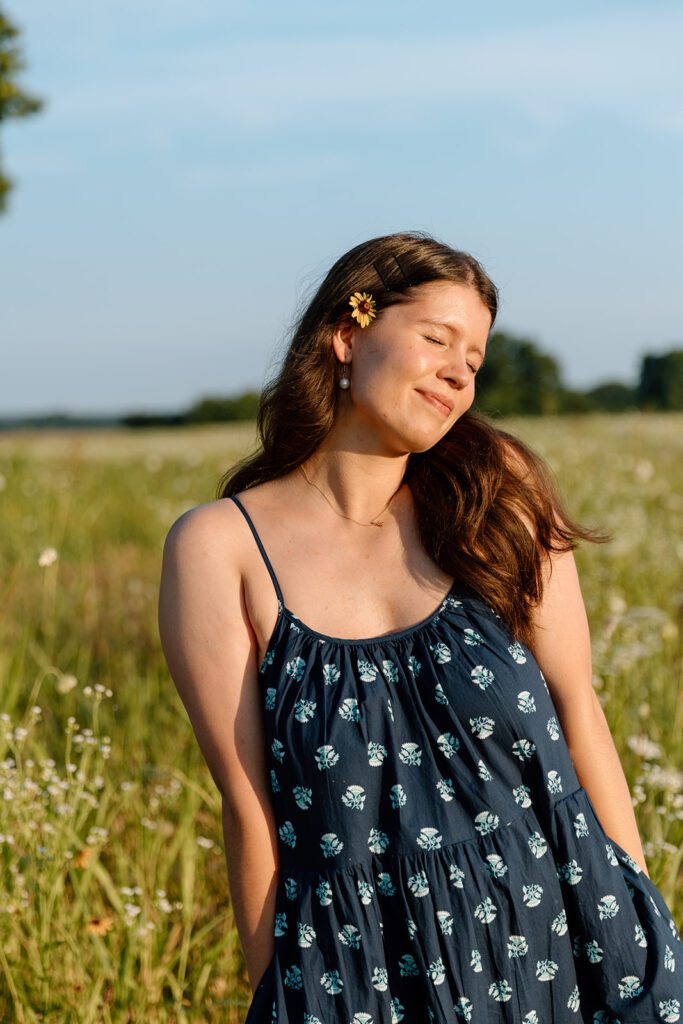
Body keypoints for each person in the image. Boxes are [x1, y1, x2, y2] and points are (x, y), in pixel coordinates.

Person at [158, 230, 682, 1023]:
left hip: (560, 936)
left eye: (473, 360)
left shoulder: (495, 497)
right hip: (359, 967)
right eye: (436, 340)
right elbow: (250, 804)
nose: (456, 374)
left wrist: (644, 940)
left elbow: (582, 716)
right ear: (347, 333)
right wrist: (275, 990)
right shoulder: (220, 548)